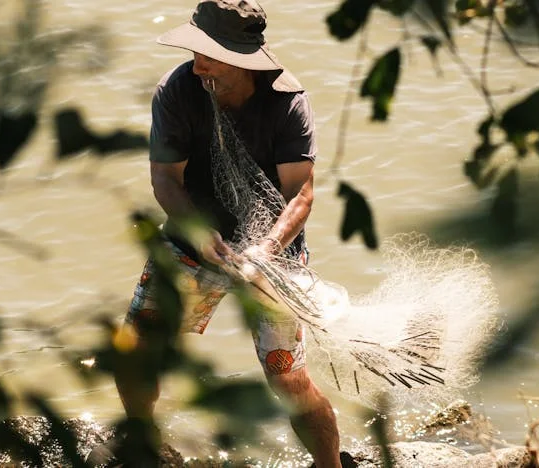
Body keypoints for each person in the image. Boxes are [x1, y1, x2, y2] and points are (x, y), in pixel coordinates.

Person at [100, 1, 342, 466]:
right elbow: (166, 179)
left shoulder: (287, 100)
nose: (198, 62)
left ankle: (329, 465)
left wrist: (264, 251)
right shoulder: (177, 90)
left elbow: (301, 196)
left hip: (274, 255)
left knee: (287, 378)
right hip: (192, 245)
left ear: (242, 58)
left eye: (209, 52)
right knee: (136, 355)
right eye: (195, 48)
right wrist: (200, 231)